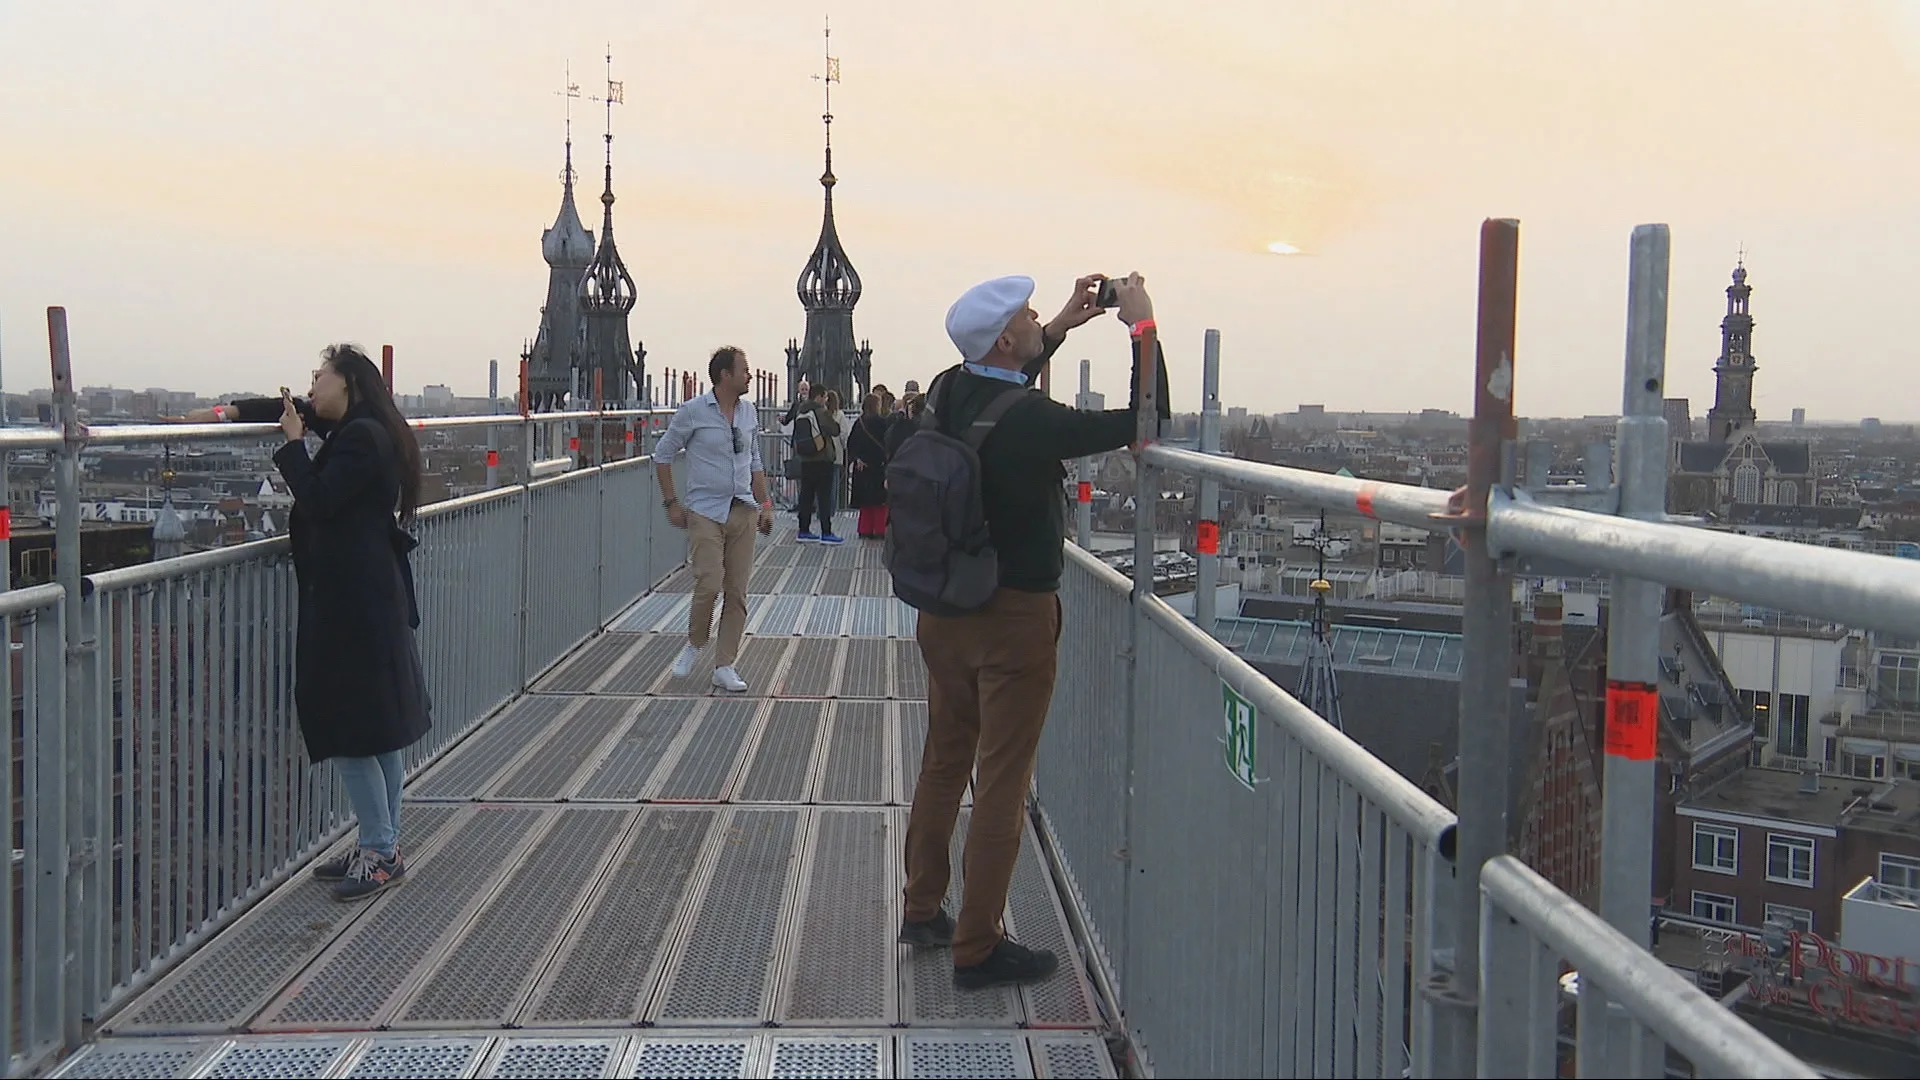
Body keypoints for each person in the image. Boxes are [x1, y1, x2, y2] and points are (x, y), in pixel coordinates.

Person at [897, 272, 1168, 990]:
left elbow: (1001, 379)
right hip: (1012, 619)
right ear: (1006, 340)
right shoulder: (1033, 421)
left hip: (943, 610)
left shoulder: (945, 391)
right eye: (1027, 315)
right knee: (1003, 780)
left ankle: (922, 908)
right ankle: (978, 947)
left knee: (945, 760)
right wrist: (1141, 328)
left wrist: (1062, 329)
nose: (1036, 315)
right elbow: (1146, 422)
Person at [183, 345, 432, 902]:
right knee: (378, 728)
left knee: (347, 727)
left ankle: (380, 848)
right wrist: (222, 413)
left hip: (353, 601)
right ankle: (381, 843)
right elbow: (285, 407)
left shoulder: (362, 439)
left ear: (348, 384)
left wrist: (294, 445)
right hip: (367, 596)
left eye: (320, 377)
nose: (311, 386)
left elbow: (319, 499)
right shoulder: (363, 428)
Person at [653, 346, 774, 693]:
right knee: (709, 581)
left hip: (743, 509)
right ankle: (695, 642)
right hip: (705, 510)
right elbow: (662, 455)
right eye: (744, 370)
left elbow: (754, 460)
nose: (749, 376)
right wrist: (671, 503)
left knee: (737, 591)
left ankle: (725, 665)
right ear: (725, 375)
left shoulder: (749, 412)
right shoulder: (693, 412)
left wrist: (765, 504)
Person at [791, 383, 843, 544]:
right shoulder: (821, 412)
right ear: (819, 397)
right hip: (822, 459)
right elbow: (835, 430)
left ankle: (803, 530)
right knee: (824, 497)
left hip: (806, 459)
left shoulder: (801, 411)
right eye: (825, 397)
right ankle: (826, 532)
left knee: (806, 495)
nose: (826, 400)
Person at [846, 392, 892, 539]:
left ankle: (864, 529)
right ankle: (879, 529)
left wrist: (857, 458)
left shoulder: (859, 423)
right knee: (879, 502)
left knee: (865, 503)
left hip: (862, 467)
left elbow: (851, 444)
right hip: (878, 466)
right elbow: (887, 443)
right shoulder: (882, 422)